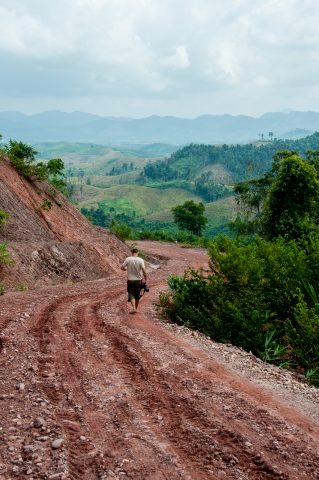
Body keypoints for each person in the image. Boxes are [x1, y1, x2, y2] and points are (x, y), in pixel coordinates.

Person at [121, 248, 147, 314]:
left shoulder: (128, 259)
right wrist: (146, 278)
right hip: (138, 280)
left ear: (132, 252)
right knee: (137, 295)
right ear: (137, 252)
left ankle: (134, 308)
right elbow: (144, 270)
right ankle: (136, 308)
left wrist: (125, 269)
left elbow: (122, 267)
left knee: (131, 294)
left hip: (130, 280)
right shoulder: (141, 260)